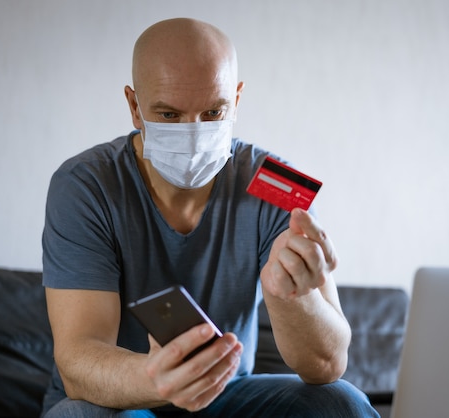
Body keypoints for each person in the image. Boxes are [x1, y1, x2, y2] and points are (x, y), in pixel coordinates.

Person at [41, 17, 379, 418]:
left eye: (213, 112)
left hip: (227, 398)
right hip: (123, 397)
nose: (193, 135)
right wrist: (156, 378)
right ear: (135, 106)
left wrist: (287, 295)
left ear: (236, 101)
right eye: (169, 116)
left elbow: (326, 365)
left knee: (341, 405)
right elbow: (78, 361)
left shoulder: (275, 184)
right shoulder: (85, 185)